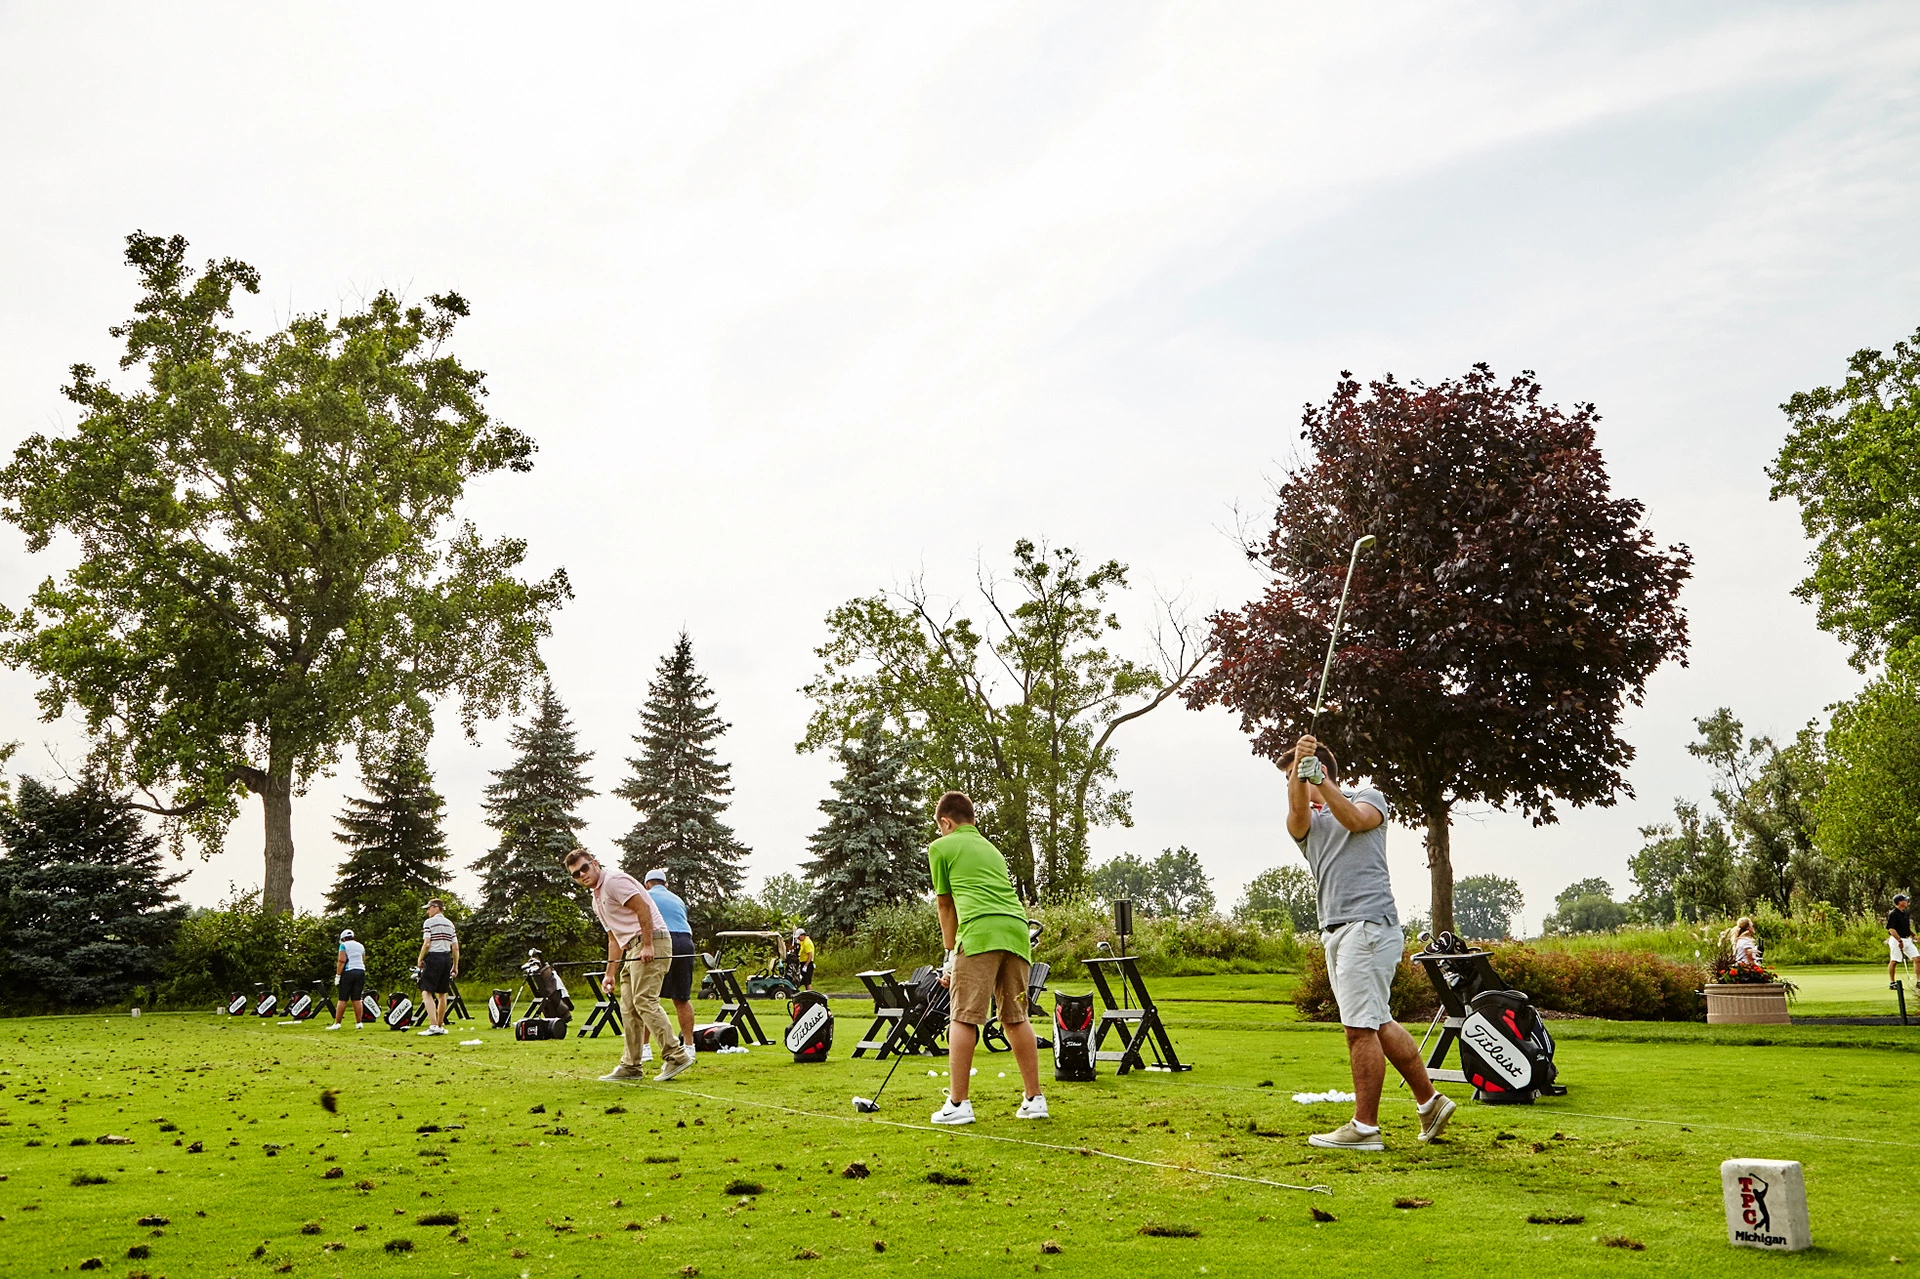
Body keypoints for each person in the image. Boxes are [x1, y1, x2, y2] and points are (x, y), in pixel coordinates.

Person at [1286, 734, 1454, 1151]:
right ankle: (1430, 1102)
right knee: (1376, 1021)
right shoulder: (1305, 825)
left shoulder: (1369, 797)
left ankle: (1365, 1129)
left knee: (1358, 1029)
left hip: (1368, 927)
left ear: (1321, 772)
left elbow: (1356, 821)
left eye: (1294, 775)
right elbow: (1297, 813)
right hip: (1337, 932)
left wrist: (1319, 778)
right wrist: (1302, 777)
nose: (1292, 784)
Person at [927, 790, 1047, 1125]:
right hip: (1017, 932)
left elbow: (945, 905)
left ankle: (958, 1103)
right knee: (1015, 1017)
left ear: (945, 822)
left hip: (979, 933)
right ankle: (1034, 1099)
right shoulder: (991, 849)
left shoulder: (941, 847)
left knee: (963, 1017)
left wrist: (950, 956)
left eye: (941, 827)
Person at [564, 848, 693, 1083]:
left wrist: (648, 944)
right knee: (629, 1007)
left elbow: (643, 907)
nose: (582, 874)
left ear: (594, 863)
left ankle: (676, 1055)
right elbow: (613, 938)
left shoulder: (613, 881)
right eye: (576, 874)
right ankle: (631, 1066)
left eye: (584, 868)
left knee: (644, 1000)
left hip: (651, 942)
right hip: (631, 948)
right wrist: (609, 974)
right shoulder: (596, 899)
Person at [634, 867, 698, 1063]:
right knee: (682, 998)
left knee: (647, 998)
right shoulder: (677, 899)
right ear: (666, 885)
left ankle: (645, 1049)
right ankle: (689, 1047)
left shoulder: (644, 895)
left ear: (647, 884)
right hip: (685, 942)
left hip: (661, 940)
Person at [415, 899, 459, 1036]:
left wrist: (420, 958)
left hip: (434, 957)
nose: (427, 911)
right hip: (446, 959)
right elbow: (455, 947)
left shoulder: (429, 923)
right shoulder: (450, 924)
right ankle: (439, 1026)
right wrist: (455, 966)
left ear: (436, 908)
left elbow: (427, 943)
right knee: (442, 993)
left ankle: (433, 1025)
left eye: (429, 908)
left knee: (426, 992)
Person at [328, 928, 368, 1029]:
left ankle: (337, 1023)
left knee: (343, 998)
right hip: (361, 971)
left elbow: (342, 961)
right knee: (357, 998)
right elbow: (363, 960)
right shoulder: (360, 946)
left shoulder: (343, 945)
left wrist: (338, 975)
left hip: (349, 972)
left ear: (344, 939)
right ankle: (359, 1023)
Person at [1889, 893, 1916, 987]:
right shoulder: (1893, 914)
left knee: (1917, 958)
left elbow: (1906, 927)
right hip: (1896, 939)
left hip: (1907, 939)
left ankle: (1919, 982)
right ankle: (1892, 983)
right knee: (1894, 961)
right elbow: (1891, 929)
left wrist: (1913, 935)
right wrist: (1899, 940)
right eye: (1905, 900)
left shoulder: (1906, 913)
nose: (1907, 902)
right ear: (1899, 902)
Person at [793, 926, 816, 991]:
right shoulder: (803, 941)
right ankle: (807, 994)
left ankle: (810, 995)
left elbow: (810, 956)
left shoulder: (807, 943)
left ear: (802, 935)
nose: (798, 938)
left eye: (798, 937)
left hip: (807, 964)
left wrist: (805, 966)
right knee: (805, 981)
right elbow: (797, 942)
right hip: (804, 963)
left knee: (808, 982)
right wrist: (794, 931)